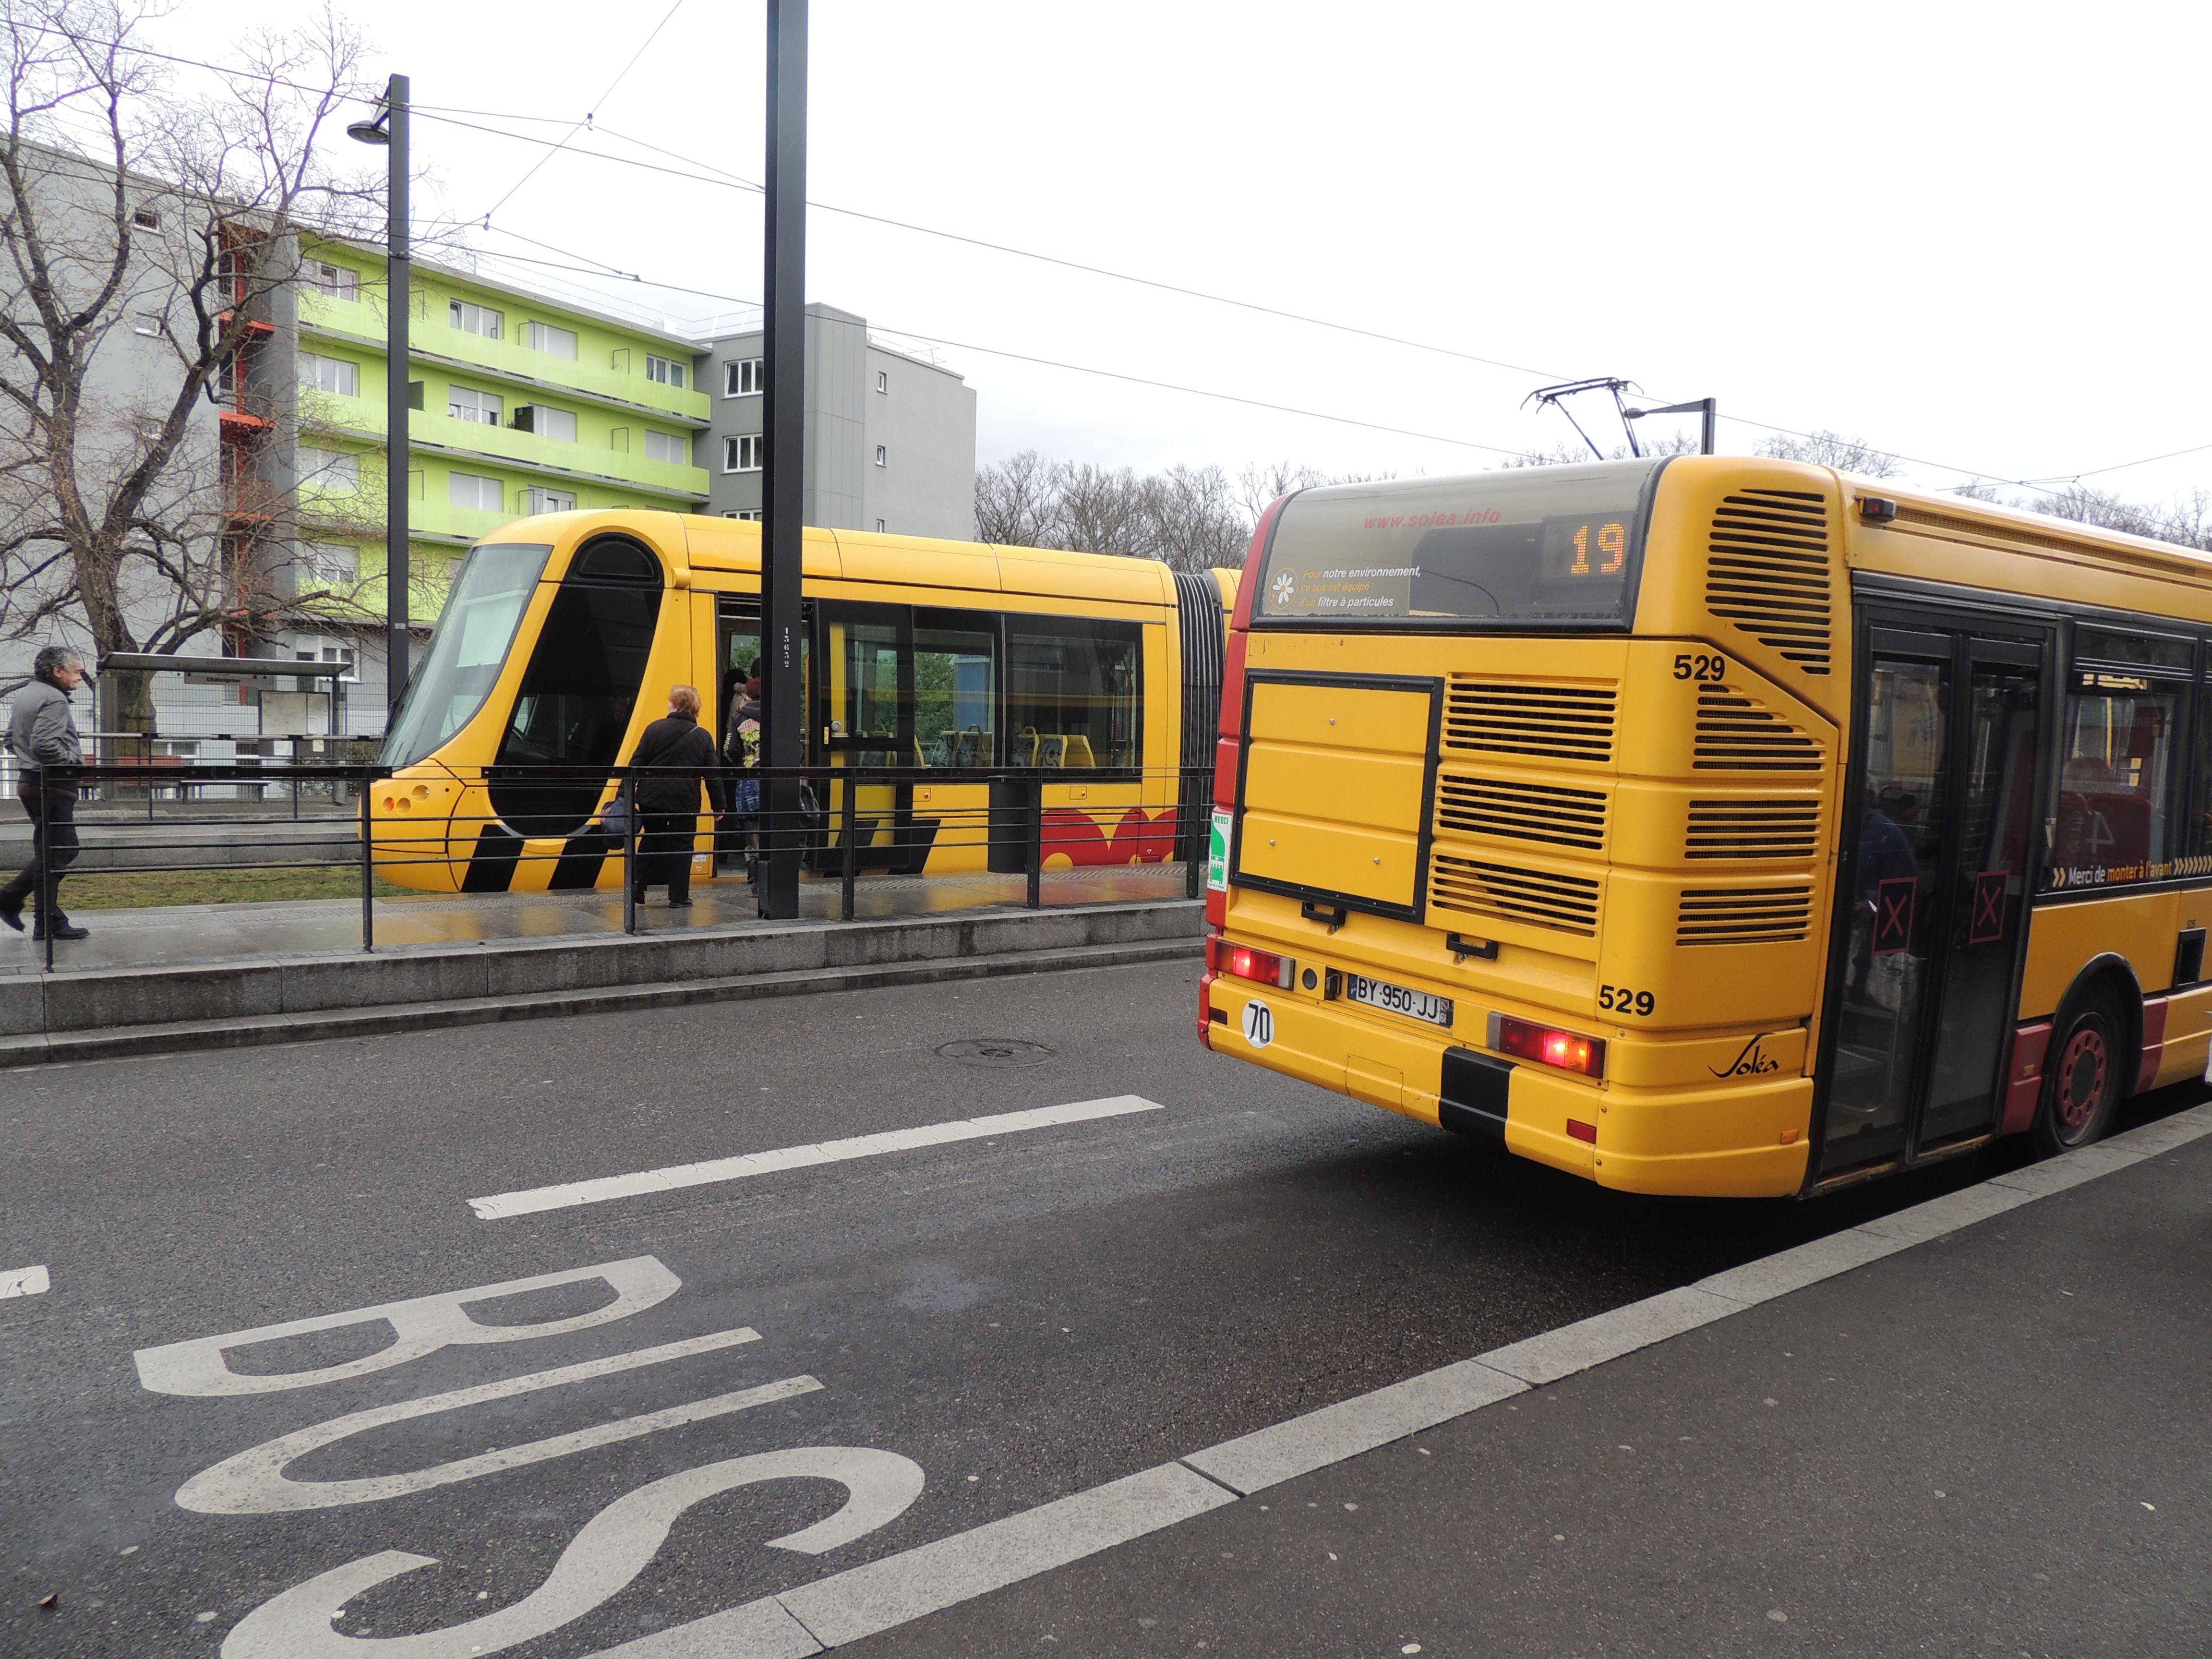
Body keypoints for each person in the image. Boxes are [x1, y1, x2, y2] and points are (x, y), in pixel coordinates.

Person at [1, 645, 91, 941]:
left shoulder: (27, 694)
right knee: (59, 852)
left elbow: (10, 739)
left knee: (54, 851)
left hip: (30, 782)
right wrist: (74, 761)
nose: (80, 677)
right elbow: (44, 744)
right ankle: (26, 908)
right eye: (77, 672)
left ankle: (41, 916)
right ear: (58, 671)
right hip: (52, 785)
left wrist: (29, 760)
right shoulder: (54, 698)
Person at [627, 684, 726, 908]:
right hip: (685, 800)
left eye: (670, 702)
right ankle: (679, 897)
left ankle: (637, 887)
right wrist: (718, 806)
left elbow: (636, 763)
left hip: (652, 797)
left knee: (652, 838)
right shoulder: (702, 736)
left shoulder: (654, 729)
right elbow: (713, 775)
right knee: (682, 845)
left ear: (676, 705)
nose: (667, 705)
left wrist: (624, 794)